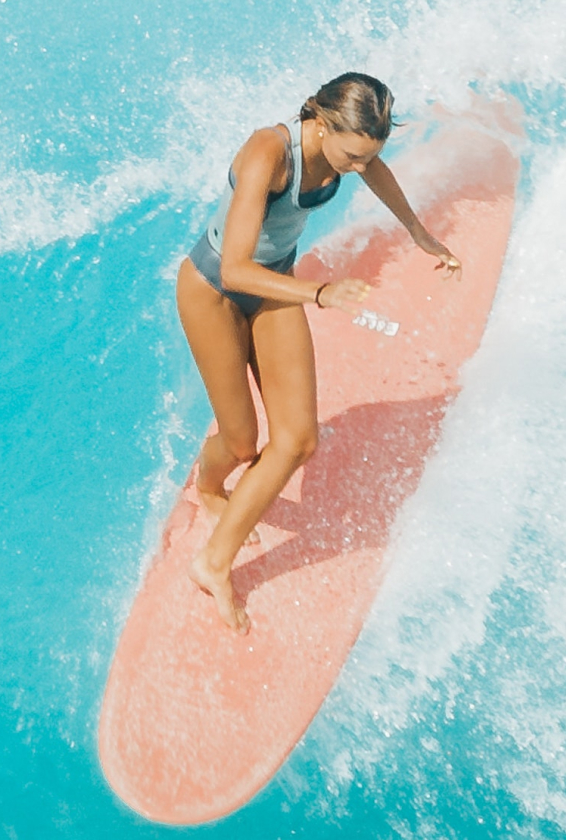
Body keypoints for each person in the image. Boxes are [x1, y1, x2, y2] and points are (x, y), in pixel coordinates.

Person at [177, 72, 461, 634]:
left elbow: (375, 168)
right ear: (322, 122)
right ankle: (207, 485)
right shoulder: (268, 151)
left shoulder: (351, 153)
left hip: (273, 285)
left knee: (298, 439)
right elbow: (235, 267)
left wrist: (417, 231)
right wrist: (321, 293)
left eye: (367, 155)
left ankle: (212, 562)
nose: (358, 167)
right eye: (352, 154)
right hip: (215, 291)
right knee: (240, 442)